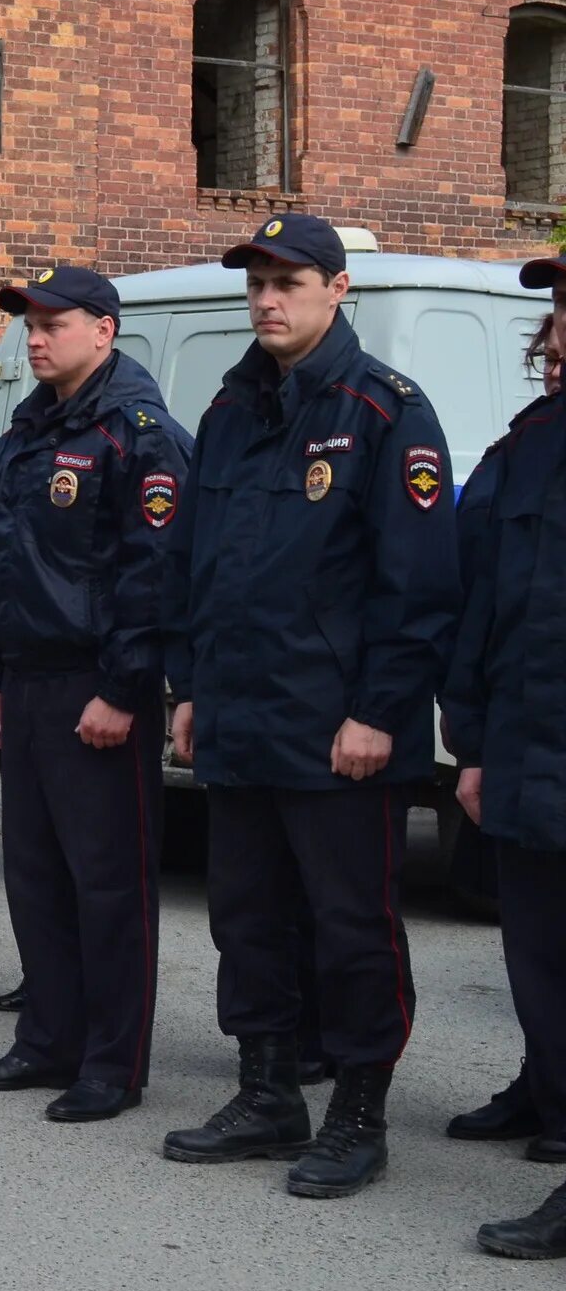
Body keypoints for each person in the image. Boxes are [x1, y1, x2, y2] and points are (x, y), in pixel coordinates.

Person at [158, 212, 459, 1198]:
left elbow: (413, 586)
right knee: (244, 916)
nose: (267, 298)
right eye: (256, 283)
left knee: (349, 924)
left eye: (288, 281)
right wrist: (192, 687)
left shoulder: (384, 411)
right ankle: (266, 1090)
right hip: (242, 718)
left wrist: (376, 711)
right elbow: (196, 565)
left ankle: (359, 1115)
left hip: (339, 734)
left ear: (338, 291)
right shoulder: (228, 411)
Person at [0, 266, 191, 1123]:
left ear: (105, 331)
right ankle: (46, 1039)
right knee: (35, 876)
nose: (36, 335)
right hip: (29, 678)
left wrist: (125, 689)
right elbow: (4, 563)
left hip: (98, 687)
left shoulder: (138, 432)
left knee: (109, 883)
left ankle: (111, 1063)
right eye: (29, 323)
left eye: (54, 321)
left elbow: (151, 571)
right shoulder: (29, 428)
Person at [442, 292, 566, 1255]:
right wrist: (474, 742)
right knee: (539, 965)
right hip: (529, 751)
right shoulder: (533, 440)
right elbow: (487, 599)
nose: (558, 328)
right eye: (558, 306)